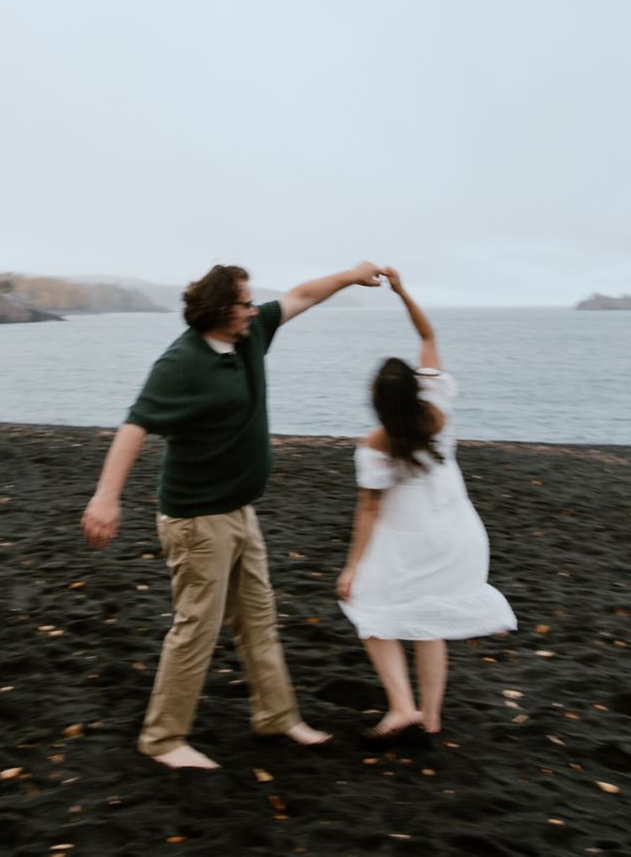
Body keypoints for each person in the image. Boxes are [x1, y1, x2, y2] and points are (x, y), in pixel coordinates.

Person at [82, 259, 384, 769]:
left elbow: (303, 295)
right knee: (196, 629)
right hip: (197, 521)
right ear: (221, 310)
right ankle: (163, 739)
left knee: (259, 618)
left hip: (238, 511)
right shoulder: (181, 364)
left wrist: (350, 275)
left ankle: (276, 716)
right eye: (245, 303)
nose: (253, 309)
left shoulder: (250, 334)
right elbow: (135, 426)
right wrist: (106, 497)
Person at [336, 268, 516, 742]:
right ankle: (430, 718)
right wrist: (402, 291)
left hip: (407, 541)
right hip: (458, 535)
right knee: (428, 620)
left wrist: (352, 566)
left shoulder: (376, 443)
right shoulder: (438, 404)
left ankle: (402, 706)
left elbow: (370, 510)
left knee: (370, 612)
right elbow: (428, 335)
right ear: (415, 388)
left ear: (378, 402)